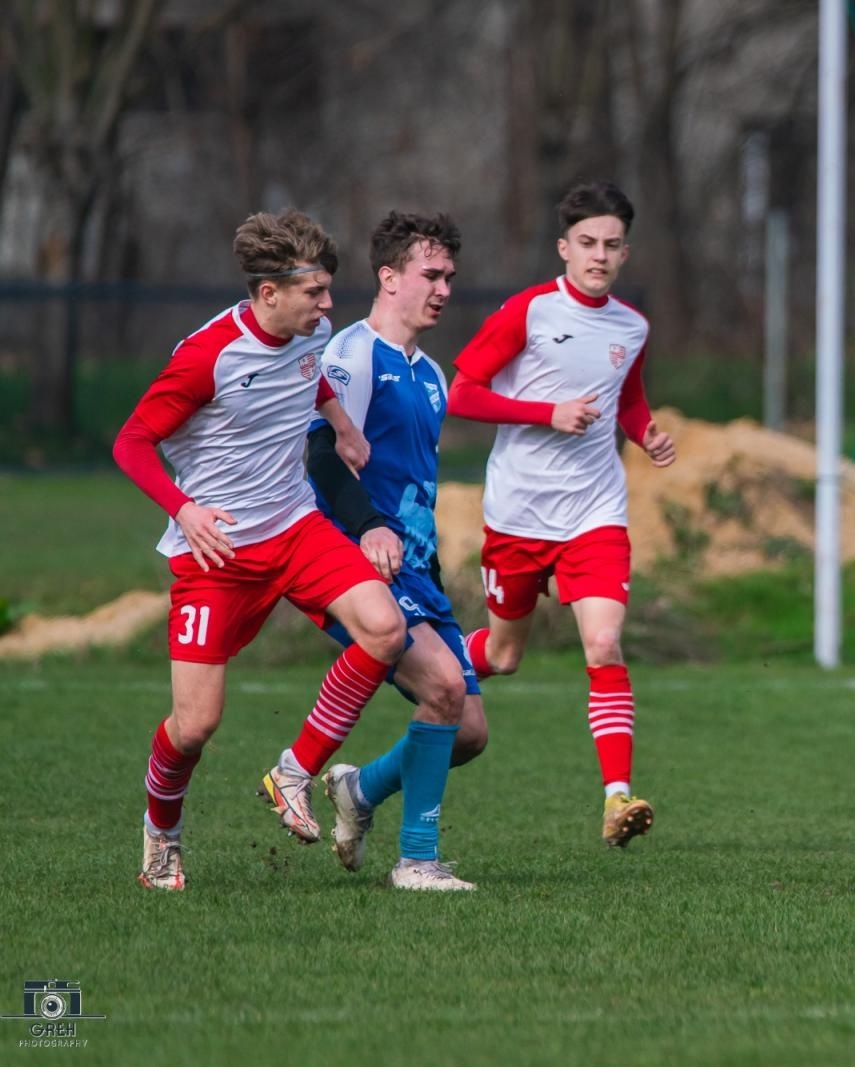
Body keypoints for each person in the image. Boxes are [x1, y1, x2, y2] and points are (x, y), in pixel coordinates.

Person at [113, 209, 408, 892]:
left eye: (329, 290)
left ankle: (294, 770)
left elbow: (312, 377)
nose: (329, 305)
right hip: (216, 556)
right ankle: (162, 833)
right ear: (268, 292)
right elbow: (131, 442)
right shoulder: (207, 356)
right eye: (315, 292)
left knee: (384, 629)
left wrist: (338, 422)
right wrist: (184, 509)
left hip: (295, 527)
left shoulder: (313, 331)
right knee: (195, 725)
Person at [446, 180, 676, 847]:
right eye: (586, 243)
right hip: (518, 512)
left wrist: (646, 432)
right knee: (506, 653)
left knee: (604, 643)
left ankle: (616, 798)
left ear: (625, 252)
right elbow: (462, 394)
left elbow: (626, 399)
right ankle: (429, 659)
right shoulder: (529, 311)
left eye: (610, 245)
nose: (598, 255)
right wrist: (545, 413)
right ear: (564, 247)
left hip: (594, 512)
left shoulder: (632, 326)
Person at [300, 210, 482, 891]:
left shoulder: (431, 373)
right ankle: (418, 860)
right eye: (430, 275)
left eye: (449, 277)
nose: (442, 289)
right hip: (356, 562)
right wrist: (371, 525)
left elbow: (416, 483)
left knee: (468, 731)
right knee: (441, 689)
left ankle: (360, 789)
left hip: (417, 571)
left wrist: (429, 563)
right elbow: (321, 454)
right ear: (389, 276)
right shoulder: (351, 355)